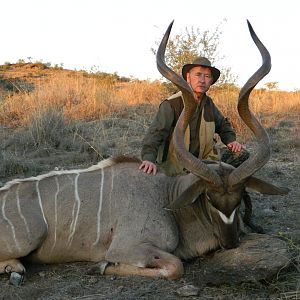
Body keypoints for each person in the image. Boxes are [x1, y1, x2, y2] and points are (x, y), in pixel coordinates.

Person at [139, 56, 246, 176]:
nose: (202, 80)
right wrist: (148, 159)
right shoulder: (172, 104)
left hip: (203, 164)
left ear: (211, 81)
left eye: (207, 76)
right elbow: (155, 134)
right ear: (188, 77)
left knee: (241, 154)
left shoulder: (208, 104)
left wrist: (231, 141)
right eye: (198, 74)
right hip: (177, 168)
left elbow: (223, 125)